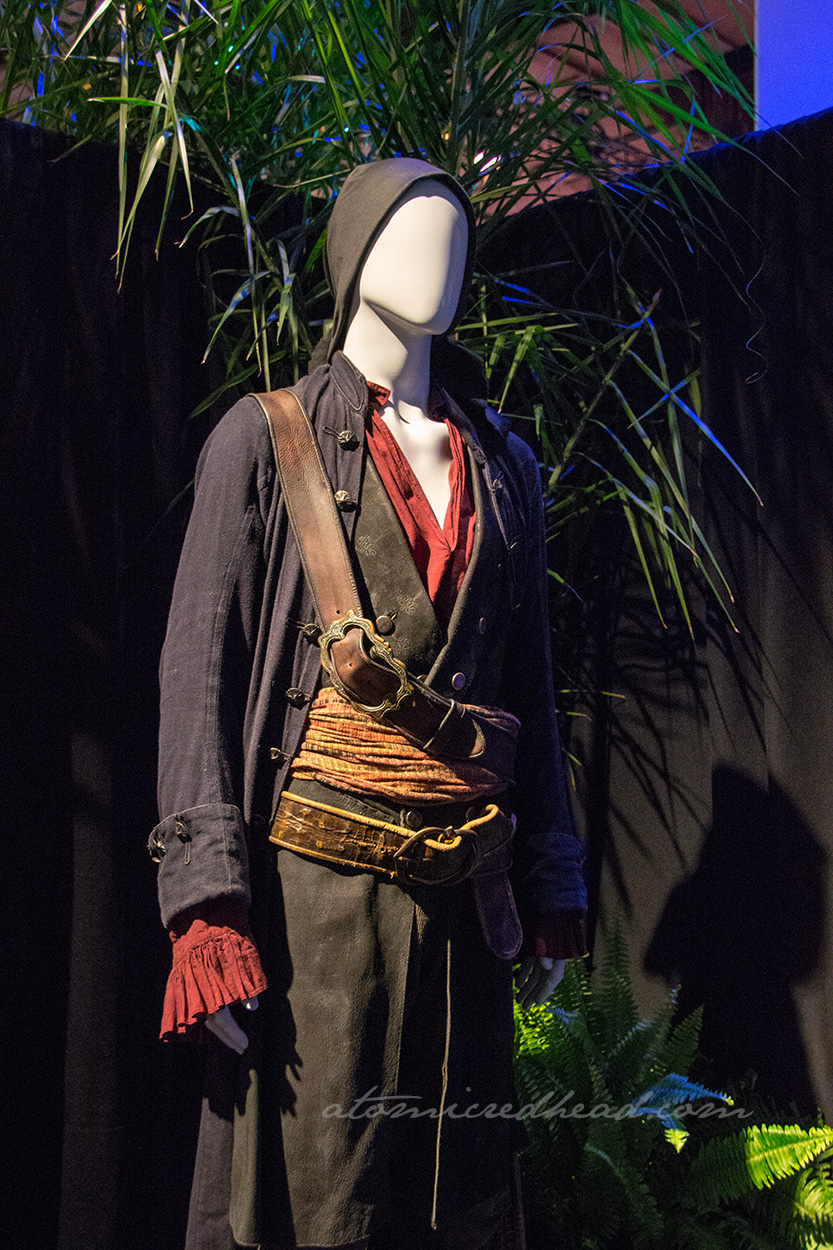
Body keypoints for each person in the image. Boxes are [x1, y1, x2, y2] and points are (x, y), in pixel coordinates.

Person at [149, 157, 587, 1250]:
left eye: (454, 234)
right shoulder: (264, 438)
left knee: (459, 1202)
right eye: (406, 230)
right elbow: (196, 673)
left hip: (467, 900)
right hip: (314, 907)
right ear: (351, 255)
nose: (437, 256)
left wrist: (550, 879)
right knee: (315, 1202)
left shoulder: (505, 465)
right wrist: (208, 907)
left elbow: (528, 682)